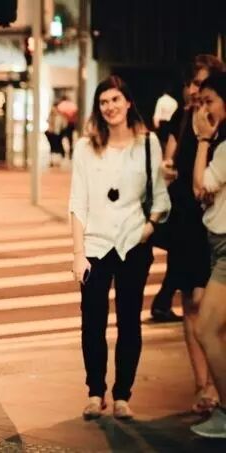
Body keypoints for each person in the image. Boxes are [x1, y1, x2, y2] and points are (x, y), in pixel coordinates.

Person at [69, 75, 171, 420]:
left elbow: (160, 196)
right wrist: (78, 253)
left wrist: (148, 229)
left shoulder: (148, 144)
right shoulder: (86, 148)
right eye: (103, 102)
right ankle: (95, 393)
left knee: (130, 322)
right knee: (92, 323)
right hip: (95, 246)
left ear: (128, 102)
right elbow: (78, 202)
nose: (110, 107)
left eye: (115, 99)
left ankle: (123, 395)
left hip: (133, 245)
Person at [152, 56, 225, 415]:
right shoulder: (182, 120)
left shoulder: (219, 127)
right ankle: (203, 385)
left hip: (213, 221)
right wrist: (166, 171)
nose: (195, 91)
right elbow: (169, 162)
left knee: (208, 306)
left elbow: (207, 181)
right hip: (186, 220)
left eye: (202, 85)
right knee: (191, 305)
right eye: (192, 84)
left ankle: (217, 386)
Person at [191, 71, 226, 438]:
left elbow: (200, 187)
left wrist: (202, 139)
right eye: (200, 103)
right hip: (218, 245)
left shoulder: (224, 147)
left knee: (206, 328)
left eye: (210, 101)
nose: (204, 110)